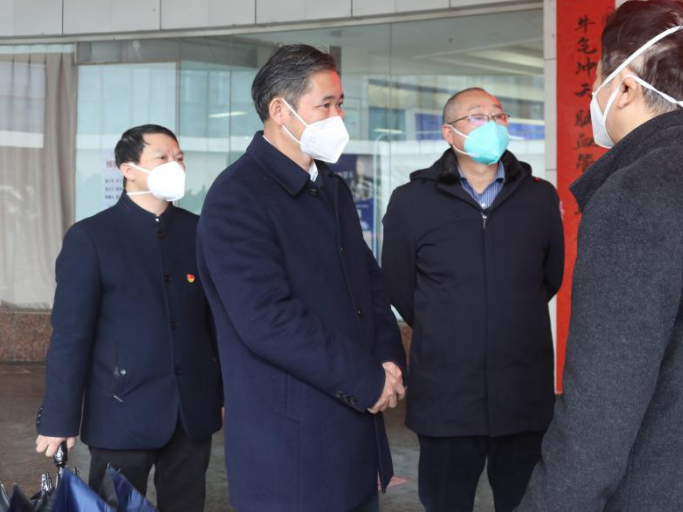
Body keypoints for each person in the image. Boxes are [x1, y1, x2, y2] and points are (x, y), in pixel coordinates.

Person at [518, 0, 683, 512]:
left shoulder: (634, 197)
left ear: (623, 87)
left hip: (661, 491)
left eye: (598, 76)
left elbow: (599, 411)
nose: (594, 92)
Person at [196, 45, 406, 512]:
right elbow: (268, 320)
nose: (338, 117)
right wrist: (365, 379)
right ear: (280, 111)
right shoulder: (236, 197)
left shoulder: (330, 187)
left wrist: (388, 359)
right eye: (325, 105)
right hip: (289, 445)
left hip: (353, 434)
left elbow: (368, 285)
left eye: (340, 104)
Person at [382, 88, 565, 512]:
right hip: (446, 395)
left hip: (522, 393)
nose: (493, 125)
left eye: (499, 116)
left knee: (525, 503)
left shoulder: (539, 197)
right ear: (449, 133)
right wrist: (449, 322)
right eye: (478, 117)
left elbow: (549, 277)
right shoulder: (412, 201)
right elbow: (398, 285)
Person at [35, 125, 221, 511]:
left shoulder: (199, 232)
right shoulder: (92, 237)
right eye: (162, 157)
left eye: (179, 158)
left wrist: (221, 394)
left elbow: (215, 323)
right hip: (121, 411)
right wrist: (58, 418)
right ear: (128, 169)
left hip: (190, 413)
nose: (175, 165)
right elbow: (70, 335)